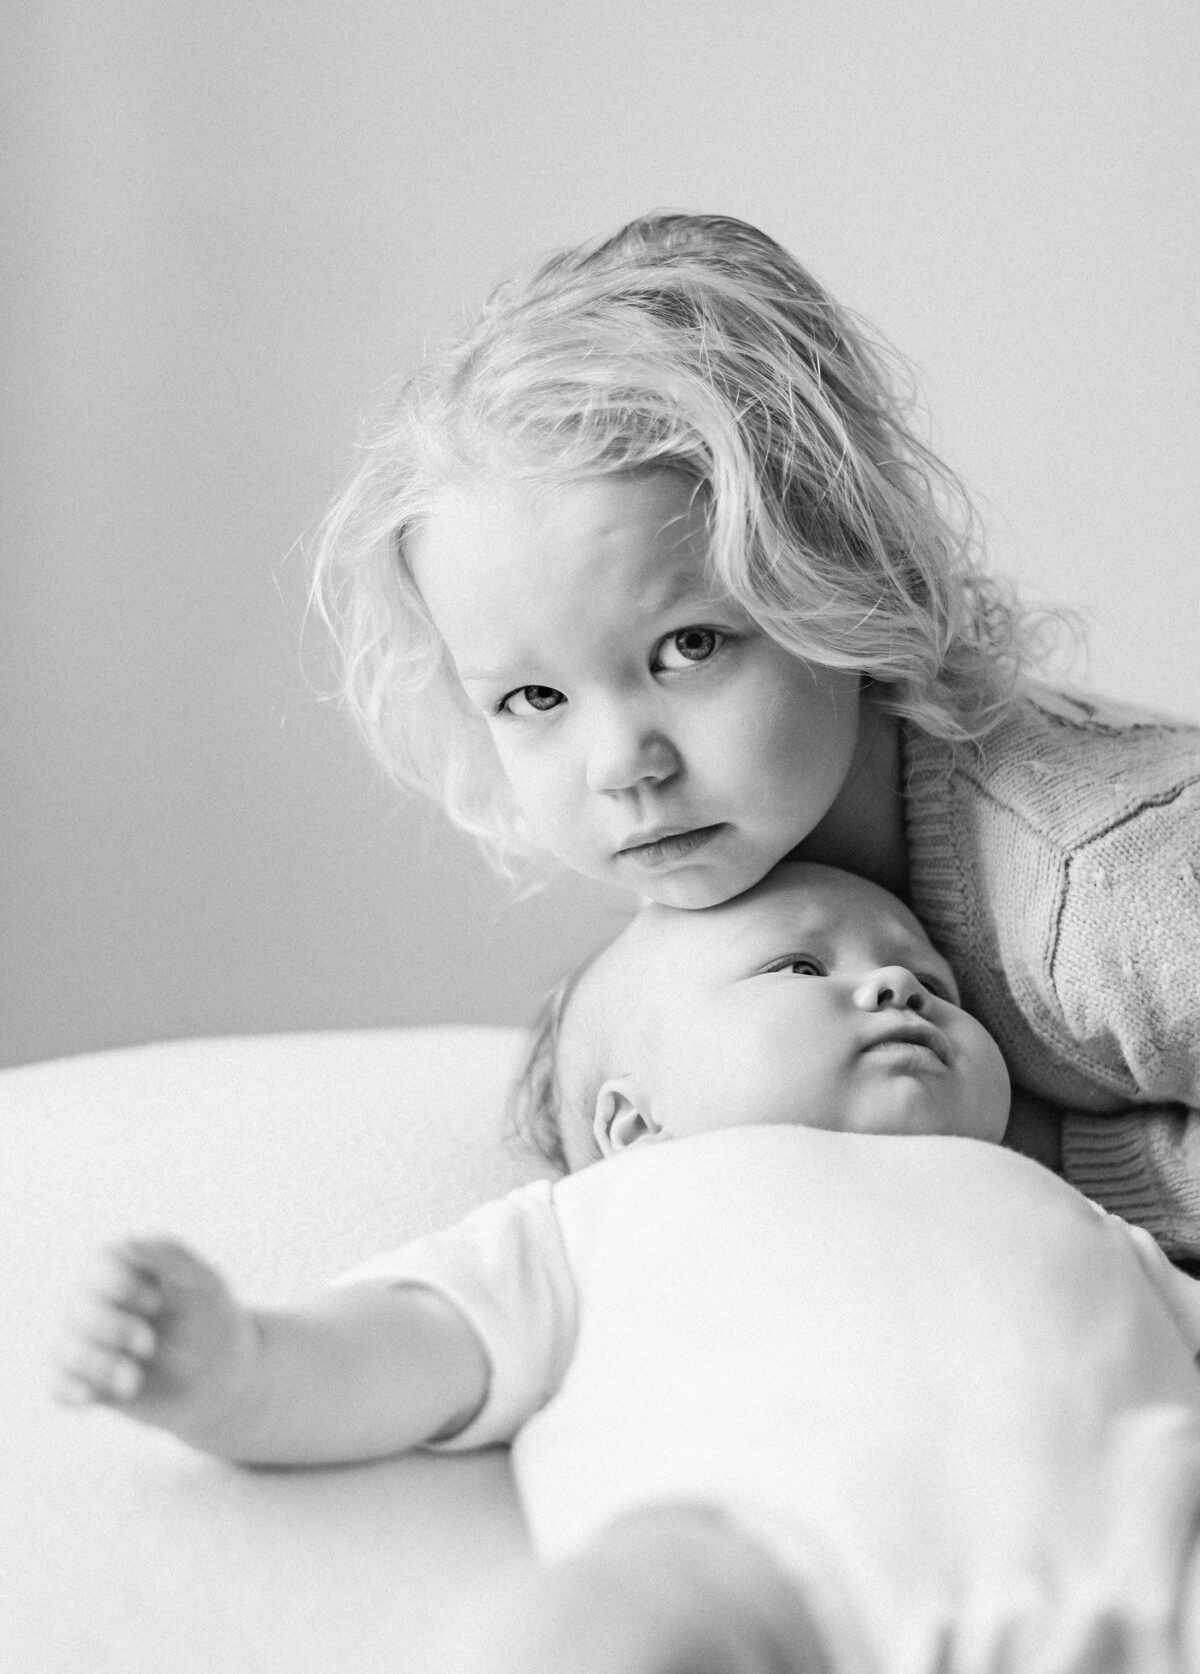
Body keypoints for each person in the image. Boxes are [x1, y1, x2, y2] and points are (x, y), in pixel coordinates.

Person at [311, 212, 1200, 1256]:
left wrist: (1043, 1163)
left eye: (689, 647)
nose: (623, 767)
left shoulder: (1106, 882)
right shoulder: (746, 896)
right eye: (535, 700)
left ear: (843, 583)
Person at [56, 864, 1200, 1674]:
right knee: (604, 1623)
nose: (896, 988)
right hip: (770, 1558)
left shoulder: (1071, 1210)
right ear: (633, 1120)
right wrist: (239, 1367)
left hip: (1153, 1543)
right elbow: (413, 1344)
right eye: (801, 964)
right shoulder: (608, 1213)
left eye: (933, 983)